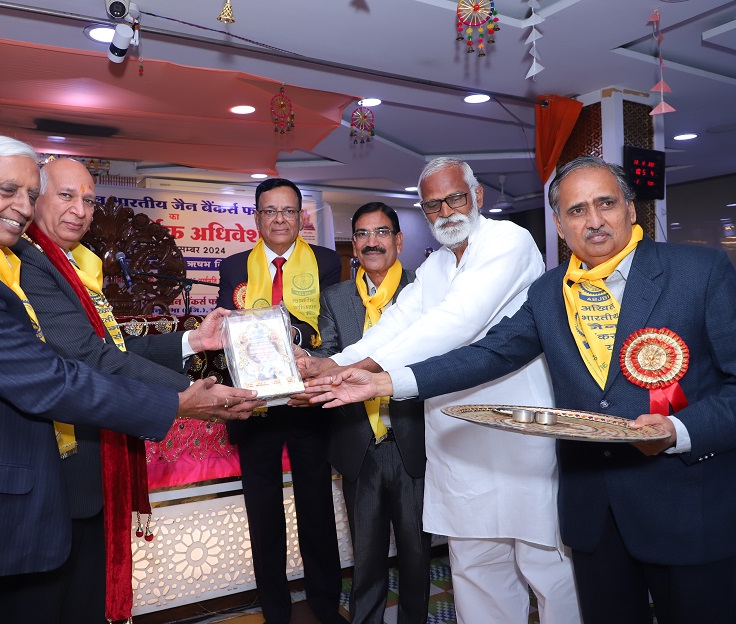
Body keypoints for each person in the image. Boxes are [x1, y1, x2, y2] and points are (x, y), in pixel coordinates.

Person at [0, 135, 259, 624]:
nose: (22, 207)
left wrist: (190, 346)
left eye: (30, 194)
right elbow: (49, 379)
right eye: (7, 190)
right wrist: (178, 404)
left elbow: (91, 353)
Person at [307, 155, 736, 624]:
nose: (593, 221)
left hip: (642, 487)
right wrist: (348, 369)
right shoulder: (538, 289)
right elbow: (457, 341)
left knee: (551, 575)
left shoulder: (695, 270)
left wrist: (678, 430)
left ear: (631, 208)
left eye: (606, 204)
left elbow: (458, 323)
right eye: (576, 211)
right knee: (478, 573)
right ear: (560, 225)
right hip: (537, 483)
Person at [298, 158, 581, 624]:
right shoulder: (436, 266)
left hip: (517, 431)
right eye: (433, 205)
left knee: (545, 564)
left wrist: (364, 371)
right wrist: (335, 363)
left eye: (455, 198)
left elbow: (456, 322)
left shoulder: (508, 240)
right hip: (455, 433)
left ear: (477, 196)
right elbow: (397, 323)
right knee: (474, 566)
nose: (446, 212)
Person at [2, 157, 246, 623]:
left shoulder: (75, 265)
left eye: (88, 200)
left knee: (85, 600)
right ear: (35, 199)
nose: (80, 210)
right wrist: (187, 393)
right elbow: (87, 356)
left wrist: (194, 341)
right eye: (66, 195)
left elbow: (112, 348)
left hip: (89, 465)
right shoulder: (29, 263)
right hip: (56, 473)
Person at [217, 178, 345, 624]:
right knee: (263, 513)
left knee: (316, 508)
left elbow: (331, 327)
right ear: (256, 216)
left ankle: (326, 604)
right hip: (255, 408)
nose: (279, 220)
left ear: (301, 217)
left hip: (306, 403)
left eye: (288, 211)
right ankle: (275, 610)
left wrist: (295, 343)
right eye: (269, 211)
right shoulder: (233, 266)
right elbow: (225, 333)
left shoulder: (326, 262)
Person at [311, 202, 431, 624]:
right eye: (362, 234)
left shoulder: (424, 290)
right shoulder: (336, 297)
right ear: (354, 244)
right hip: (358, 445)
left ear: (398, 240)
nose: (371, 242)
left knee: (417, 555)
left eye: (381, 232)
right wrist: (301, 362)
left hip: (413, 442)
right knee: (366, 559)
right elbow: (326, 358)